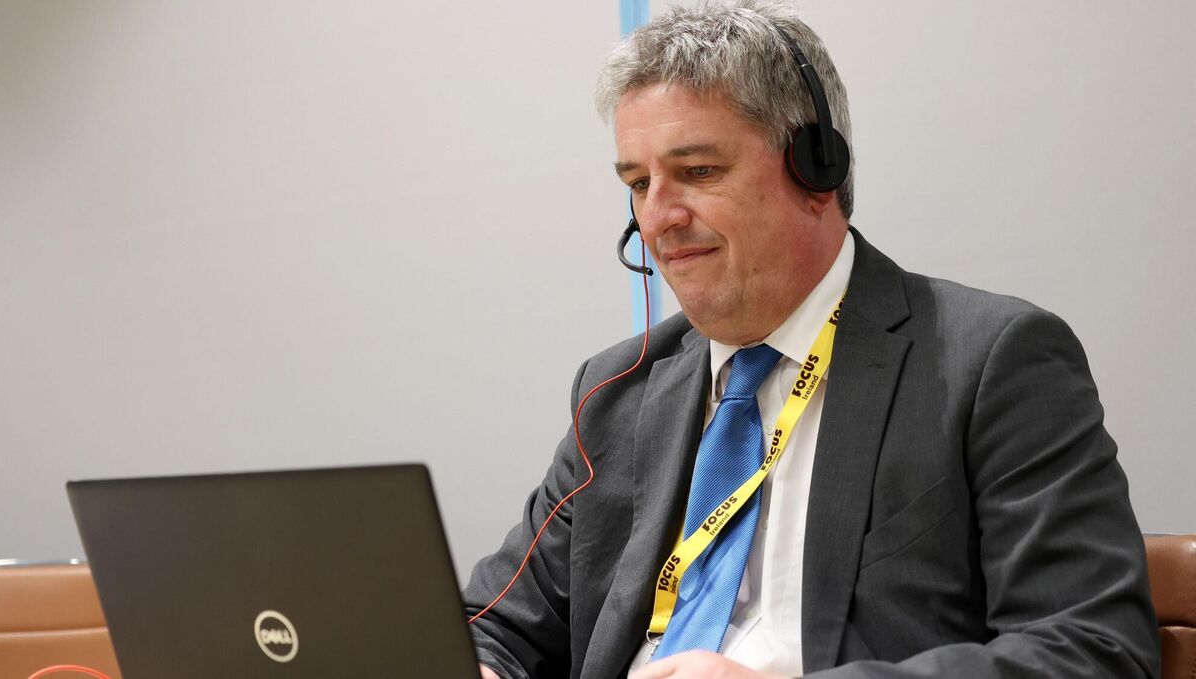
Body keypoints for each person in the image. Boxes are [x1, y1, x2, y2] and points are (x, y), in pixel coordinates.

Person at [463, 1, 1160, 677]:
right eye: (638, 183)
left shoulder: (991, 362)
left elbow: (1093, 648)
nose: (658, 217)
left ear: (817, 167)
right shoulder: (616, 393)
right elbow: (496, 624)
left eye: (699, 172)